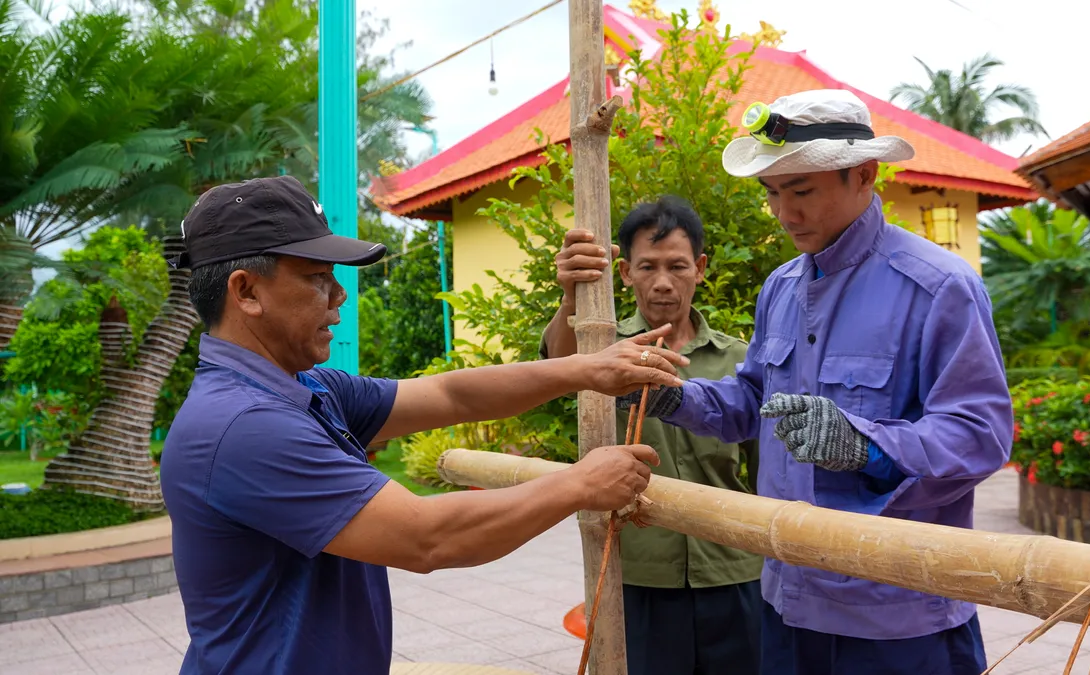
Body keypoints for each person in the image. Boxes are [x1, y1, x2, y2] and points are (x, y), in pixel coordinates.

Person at [159, 175, 689, 675]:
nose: (339, 295)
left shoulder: (306, 386)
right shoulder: (244, 425)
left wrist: (587, 369)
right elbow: (426, 538)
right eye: (317, 278)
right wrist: (580, 484)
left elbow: (448, 393)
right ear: (246, 291)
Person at [622, 89, 1014, 675]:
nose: (785, 213)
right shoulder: (780, 288)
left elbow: (979, 436)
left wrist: (867, 445)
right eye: (773, 194)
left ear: (864, 174)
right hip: (787, 596)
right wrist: (670, 395)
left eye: (801, 191)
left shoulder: (939, 286)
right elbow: (753, 401)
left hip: (897, 608)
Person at [541, 196, 763, 675]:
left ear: (700, 268)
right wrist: (570, 298)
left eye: (677, 266)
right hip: (637, 575)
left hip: (736, 573)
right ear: (624, 272)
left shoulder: (739, 359)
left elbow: (767, 471)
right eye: (647, 267)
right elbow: (557, 369)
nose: (663, 282)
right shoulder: (603, 353)